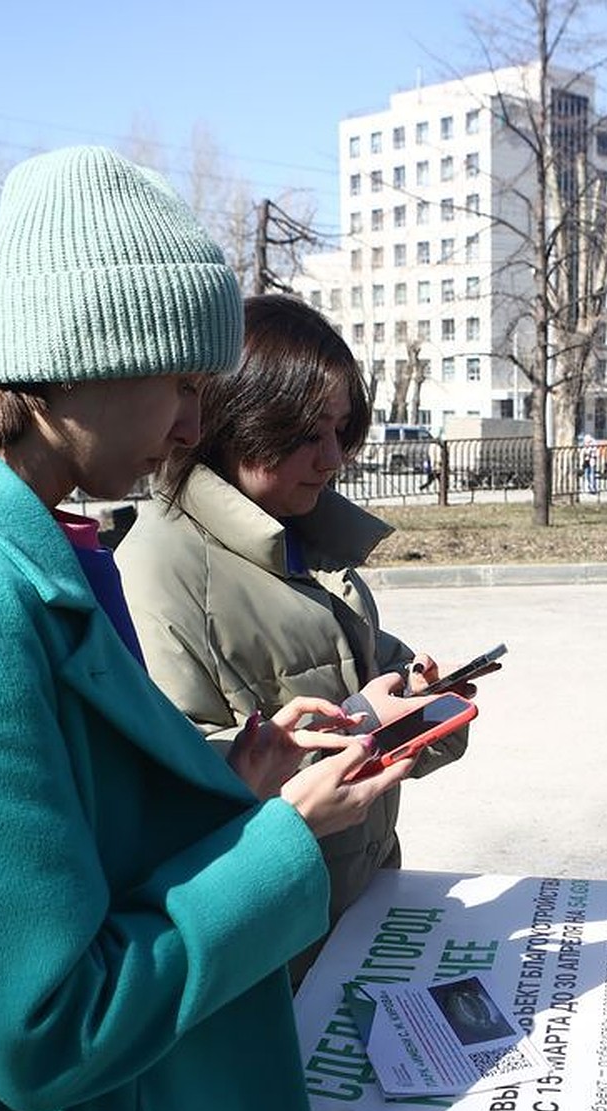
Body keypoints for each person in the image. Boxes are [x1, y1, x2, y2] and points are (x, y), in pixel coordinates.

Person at [0, 146, 412, 1111]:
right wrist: (283, 841)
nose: (195, 424)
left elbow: (79, 839)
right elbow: (45, 1027)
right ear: (74, 362)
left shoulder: (41, 544)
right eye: (180, 383)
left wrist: (234, 785)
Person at [116, 293, 466, 985]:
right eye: (307, 432)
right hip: (274, 945)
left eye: (342, 430)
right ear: (234, 418)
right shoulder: (162, 566)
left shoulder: (306, 540)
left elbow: (372, 678)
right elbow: (175, 786)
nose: (332, 457)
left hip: (355, 903)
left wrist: (425, 700)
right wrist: (360, 738)